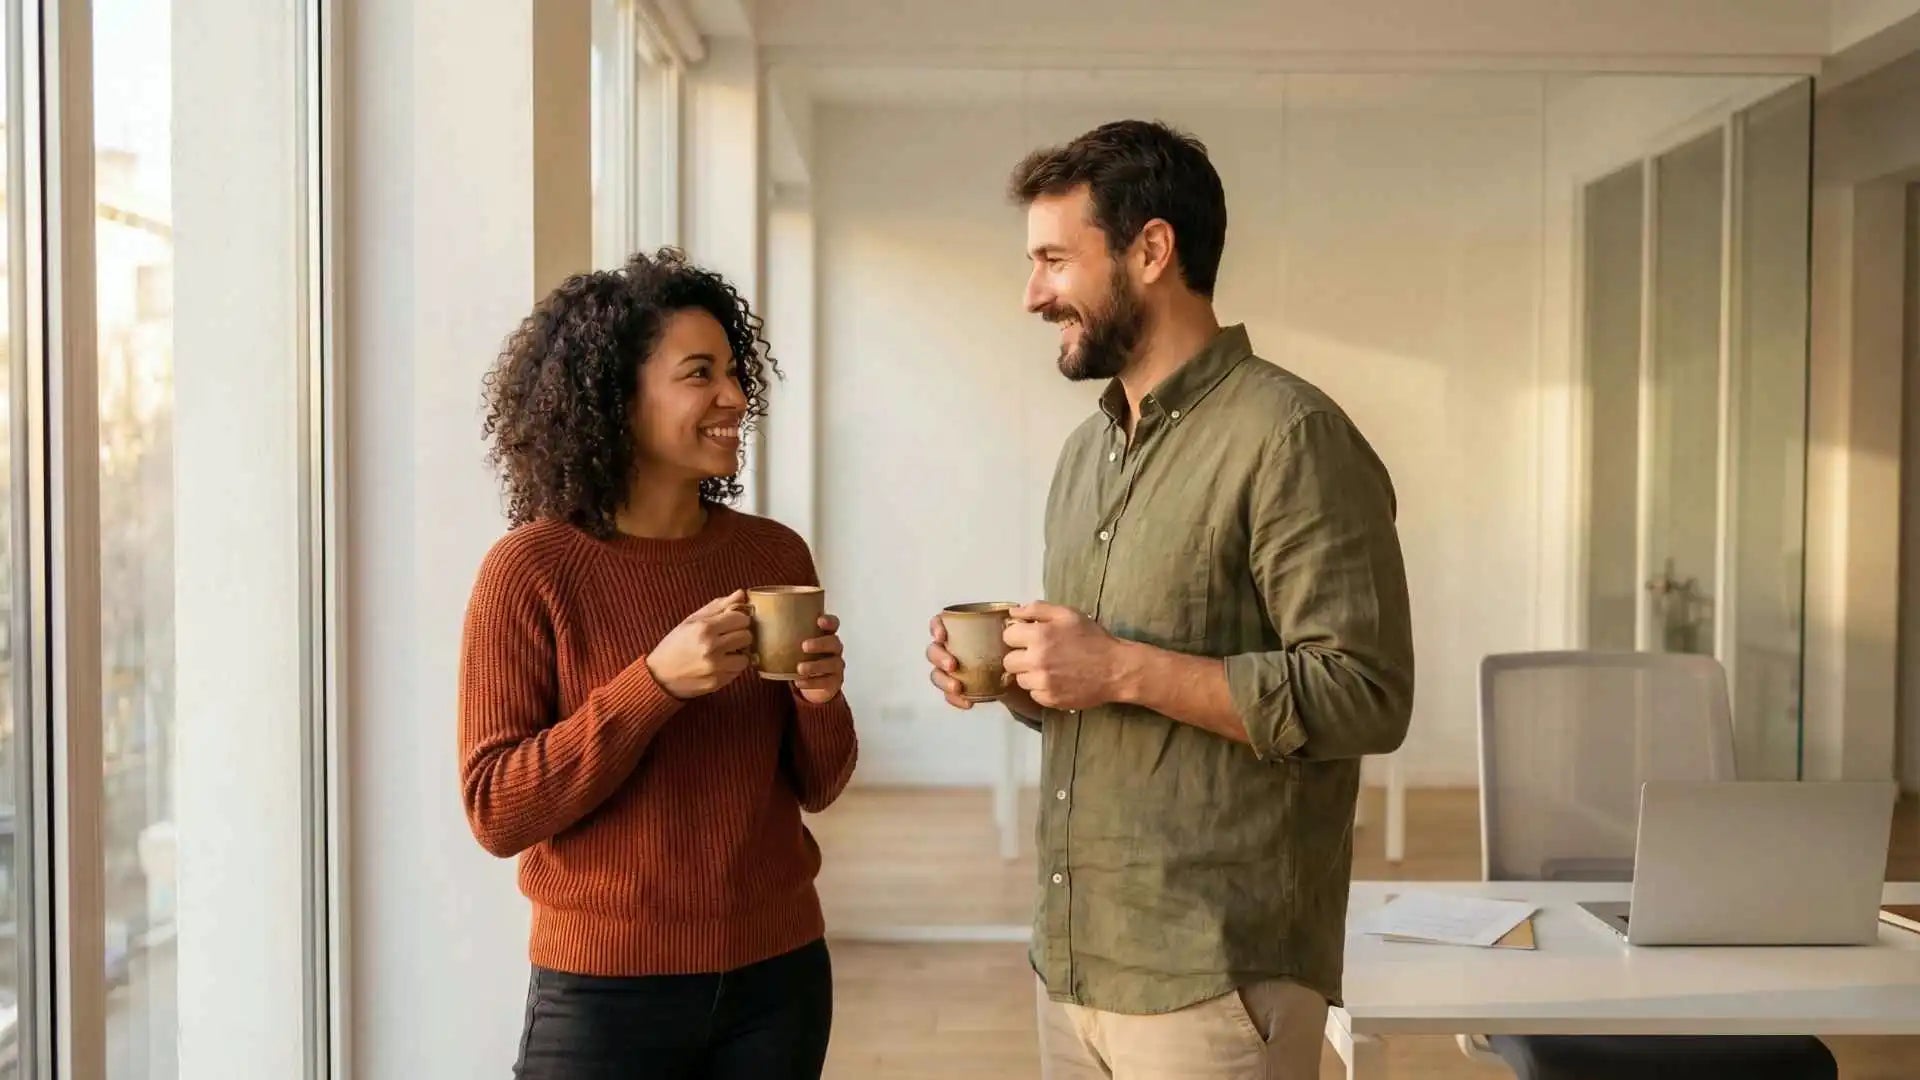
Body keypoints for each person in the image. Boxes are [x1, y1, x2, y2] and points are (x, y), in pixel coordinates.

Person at [926, 120, 1414, 1078]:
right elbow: (1116, 695)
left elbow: (1365, 692)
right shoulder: (1086, 456)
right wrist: (1025, 678)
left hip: (1216, 975)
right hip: (1073, 963)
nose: (1032, 295)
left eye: (1055, 260)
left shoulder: (1292, 436)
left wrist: (1115, 666)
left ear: (1152, 249)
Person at [460, 248, 857, 1079]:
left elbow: (818, 785)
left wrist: (821, 696)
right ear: (617, 400)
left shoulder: (772, 551)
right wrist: (657, 684)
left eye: (733, 372)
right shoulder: (530, 571)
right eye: (698, 374)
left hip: (777, 975)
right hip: (604, 992)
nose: (734, 399)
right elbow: (497, 810)